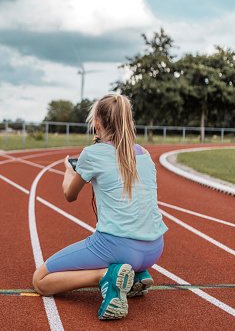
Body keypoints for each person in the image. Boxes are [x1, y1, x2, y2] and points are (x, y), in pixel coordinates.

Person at [32, 94, 168, 320]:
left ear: (96, 123)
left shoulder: (92, 154)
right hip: (154, 248)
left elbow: (69, 195)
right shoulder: (145, 154)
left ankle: (106, 275)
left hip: (118, 246)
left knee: (40, 281)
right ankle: (135, 276)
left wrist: (69, 171)